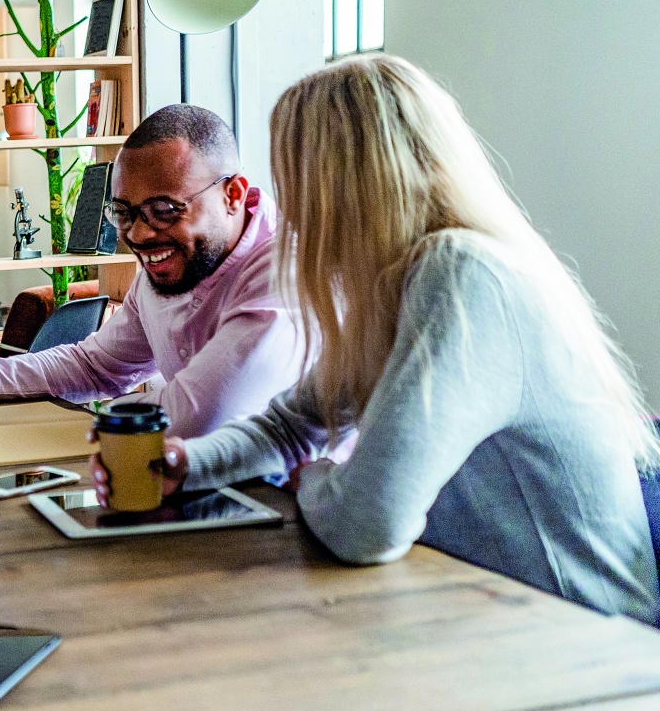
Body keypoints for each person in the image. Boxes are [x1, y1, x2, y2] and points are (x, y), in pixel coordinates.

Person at [92, 56, 660, 623]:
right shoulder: (398, 286)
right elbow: (291, 425)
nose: (293, 208)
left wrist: (311, 479)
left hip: (580, 644)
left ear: (342, 182)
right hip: (478, 610)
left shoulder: (461, 275)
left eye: (297, 179)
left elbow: (369, 524)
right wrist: (185, 464)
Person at [0, 105, 306, 438]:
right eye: (124, 214)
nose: (141, 235)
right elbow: (95, 365)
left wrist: (81, 428)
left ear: (232, 194)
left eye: (164, 211)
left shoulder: (285, 273)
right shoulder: (173, 261)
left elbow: (202, 415)